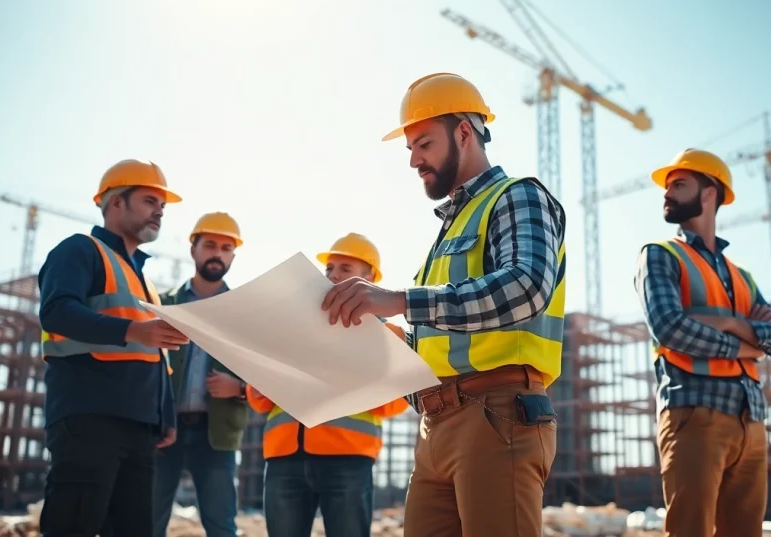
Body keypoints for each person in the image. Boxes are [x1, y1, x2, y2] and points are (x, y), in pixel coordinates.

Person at [320, 73, 567, 537]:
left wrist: (395, 300)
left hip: (496, 415)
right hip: (435, 425)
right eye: (410, 148)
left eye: (424, 144)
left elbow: (527, 286)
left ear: (464, 133)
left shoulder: (518, 196)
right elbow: (439, 330)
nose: (414, 160)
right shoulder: (447, 233)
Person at [633, 148, 771, 537]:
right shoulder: (660, 255)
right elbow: (671, 328)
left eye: (679, 184)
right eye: (668, 185)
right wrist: (747, 343)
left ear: (710, 193)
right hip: (694, 412)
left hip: (752, 421)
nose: (667, 192)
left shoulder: (741, 275)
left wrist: (728, 321)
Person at [36, 159, 190, 537]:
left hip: (140, 428)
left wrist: (165, 414)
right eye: (150, 200)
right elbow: (56, 312)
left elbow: (158, 357)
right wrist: (136, 331)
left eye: (163, 206)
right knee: (74, 527)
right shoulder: (79, 250)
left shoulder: (146, 283)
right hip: (89, 418)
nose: (159, 211)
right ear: (115, 203)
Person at [248, 233, 408, 537]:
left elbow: (397, 402)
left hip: (348, 460)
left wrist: (350, 376)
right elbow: (259, 400)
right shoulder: (291, 329)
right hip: (284, 458)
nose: (333, 274)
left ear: (369, 276)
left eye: (345, 268)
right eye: (330, 268)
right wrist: (262, 376)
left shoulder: (389, 335)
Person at [153, 212, 249, 537]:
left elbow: (268, 373)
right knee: (145, 522)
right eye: (210, 245)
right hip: (163, 431)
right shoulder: (164, 305)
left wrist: (239, 387)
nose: (217, 253)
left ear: (233, 256)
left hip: (217, 433)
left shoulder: (244, 314)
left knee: (222, 526)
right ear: (193, 249)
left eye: (226, 247)